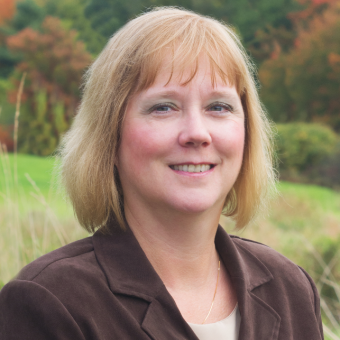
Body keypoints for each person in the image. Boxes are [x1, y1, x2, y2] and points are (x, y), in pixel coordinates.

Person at [0, 7, 324, 340]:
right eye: (163, 107)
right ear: (110, 137)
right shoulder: (50, 301)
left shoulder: (291, 289)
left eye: (219, 107)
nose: (197, 133)